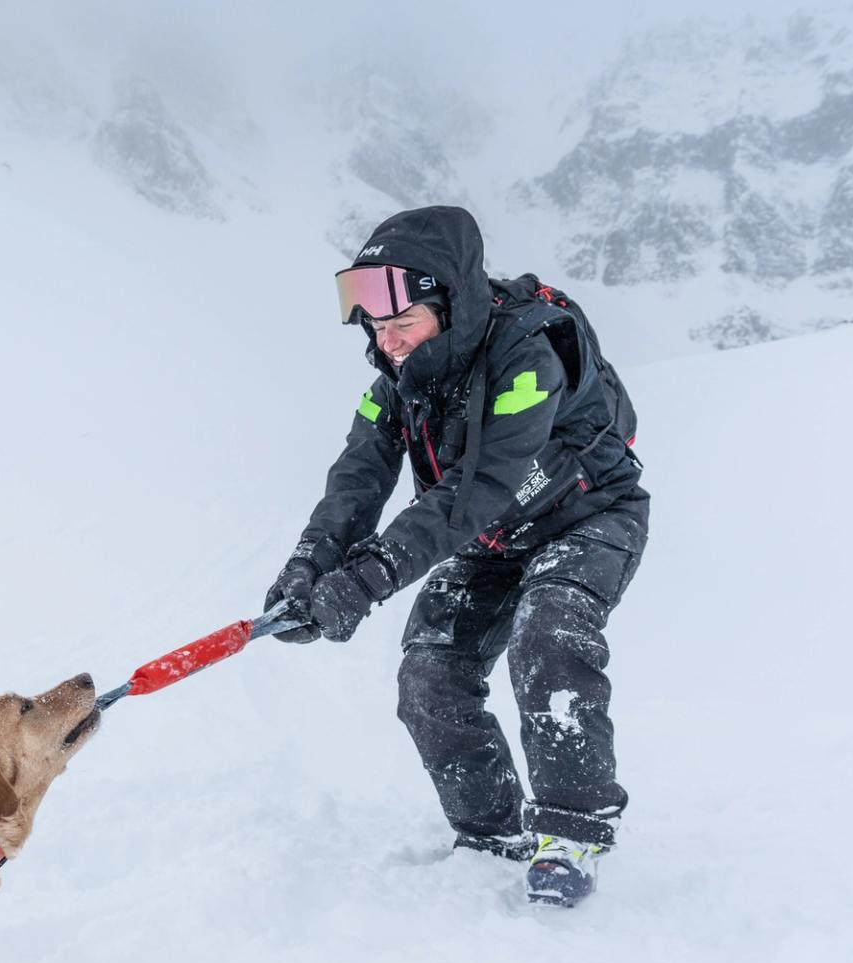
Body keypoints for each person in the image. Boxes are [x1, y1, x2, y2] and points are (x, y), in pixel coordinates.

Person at [265, 205, 649, 907]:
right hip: (492, 540)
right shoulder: (397, 381)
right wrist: (311, 564)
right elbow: (359, 474)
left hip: (585, 517)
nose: (390, 343)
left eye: (402, 322)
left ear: (450, 301)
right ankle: (491, 831)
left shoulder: (528, 356)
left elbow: (478, 489)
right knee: (430, 671)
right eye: (378, 329)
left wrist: (374, 573)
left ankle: (572, 830)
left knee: (550, 636)